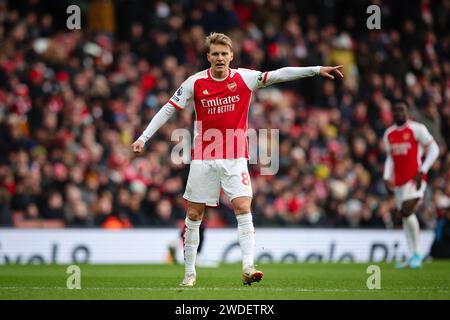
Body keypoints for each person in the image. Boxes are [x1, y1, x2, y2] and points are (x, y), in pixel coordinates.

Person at [132, 32, 343, 286]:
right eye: (215, 54)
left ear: (231, 56)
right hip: (204, 158)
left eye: (224, 54)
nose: (220, 58)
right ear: (208, 56)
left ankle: (247, 266)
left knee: (243, 208)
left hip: (235, 158)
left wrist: (317, 69)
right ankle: (189, 273)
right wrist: (144, 137)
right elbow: (168, 108)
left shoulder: (245, 77)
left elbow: (278, 74)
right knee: (194, 214)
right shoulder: (195, 83)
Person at [383, 100, 440, 269]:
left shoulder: (417, 129)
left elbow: (434, 149)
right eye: (396, 110)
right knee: (406, 218)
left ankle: (417, 254)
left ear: (408, 112)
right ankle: (413, 255)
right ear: (392, 113)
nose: (399, 113)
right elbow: (390, 158)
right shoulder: (389, 134)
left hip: (415, 179)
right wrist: (387, 177)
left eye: (402, 110)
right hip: (399, 183)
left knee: (407, 211)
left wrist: (423, 169)